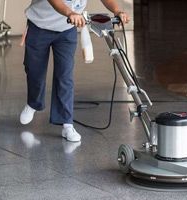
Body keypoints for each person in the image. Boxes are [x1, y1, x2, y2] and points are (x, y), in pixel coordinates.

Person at [20, 0, 130, 142]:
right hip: (39, 26)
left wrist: (117, 11)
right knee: (34, 70)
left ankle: (67, 124)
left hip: (66, 30)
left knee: (65, 76)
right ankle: (33, 103)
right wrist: (70, 13)